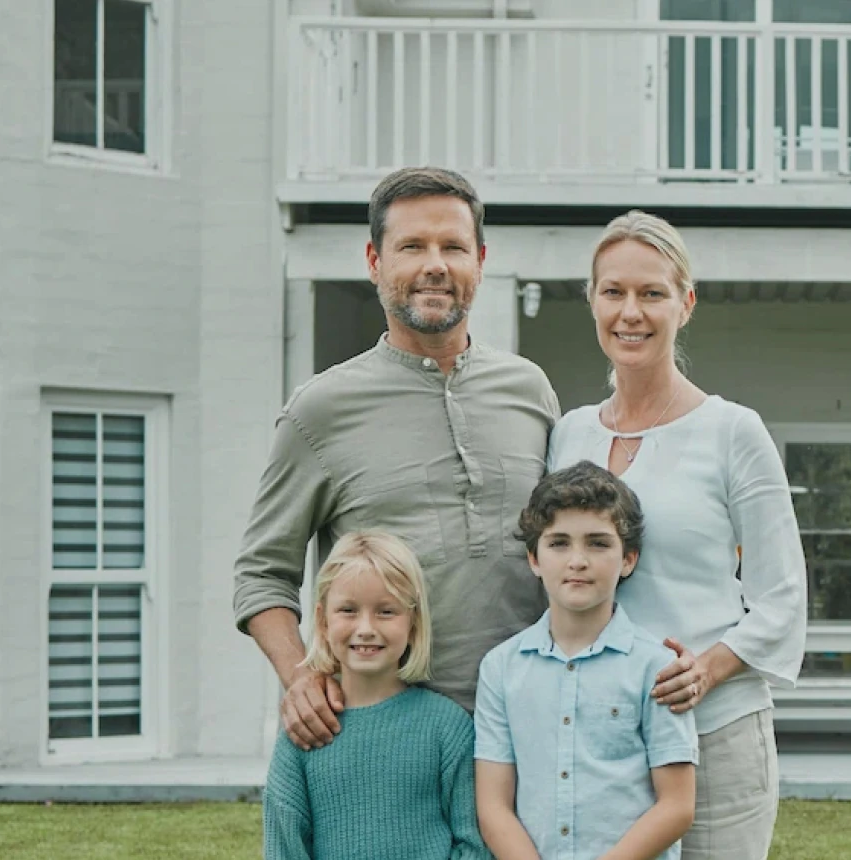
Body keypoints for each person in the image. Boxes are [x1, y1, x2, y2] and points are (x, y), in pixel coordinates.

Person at [234, 167, 558, 749]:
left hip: (529, 727)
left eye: (453, 247)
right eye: (411, 246)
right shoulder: (320, 410)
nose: (435, 264)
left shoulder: (529, 391)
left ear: (479, 261)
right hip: (387, 736)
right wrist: (300, 675)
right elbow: (261, 574)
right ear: (375, 261)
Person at [547, 210, 806, 858]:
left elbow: (783, 597)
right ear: (592, 301)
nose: (630, 312)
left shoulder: (732, 432)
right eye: (614, 292)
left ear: (684, 303)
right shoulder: (568, 434)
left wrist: (707, 670)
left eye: (651, 293)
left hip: (716, 731)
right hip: (600, 737)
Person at [474, 462, 698, 860]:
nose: (577, 560)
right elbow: (493, 806)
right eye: (559, 543)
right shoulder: (500, 668)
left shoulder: (658, 668)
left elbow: (677, 806)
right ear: (534, 559)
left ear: (628, 559)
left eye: (597, 543)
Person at [262, 530, 489, 860]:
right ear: (323, 622)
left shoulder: (446, 726)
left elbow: (473, 844)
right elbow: (285, 847)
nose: (366, 628)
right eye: (349, 611)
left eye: (386, 611)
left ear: (412, 623)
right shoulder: (304, 732)